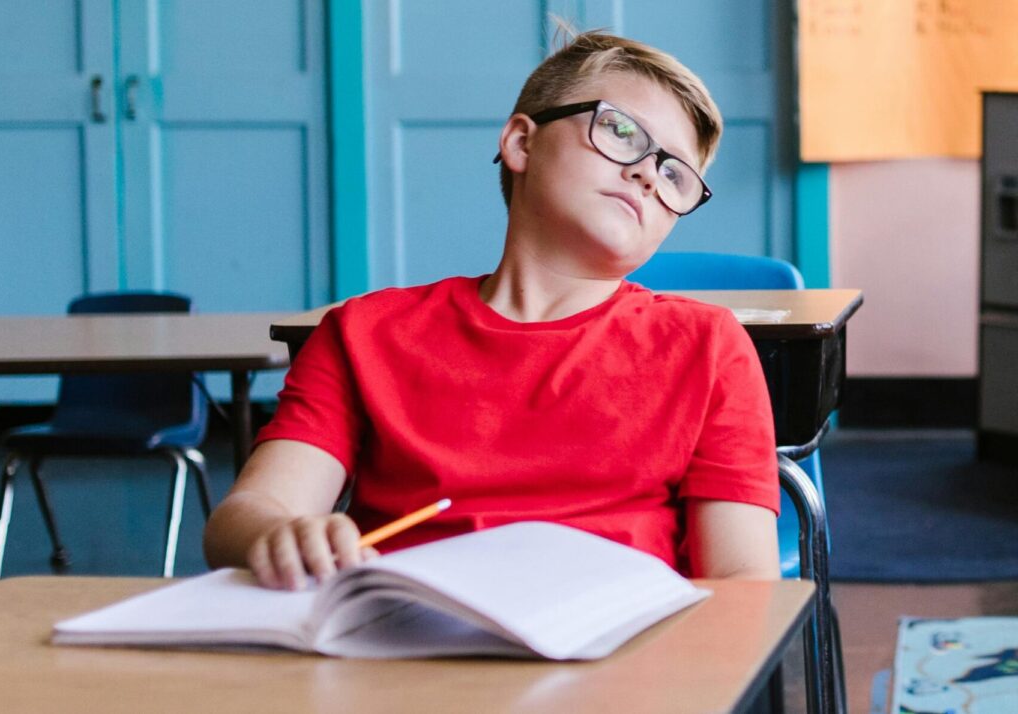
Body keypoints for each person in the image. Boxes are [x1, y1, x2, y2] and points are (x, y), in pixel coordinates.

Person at [203, 29, 780, 591]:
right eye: (621, 131)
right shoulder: (363, 333)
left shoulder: (707, 345)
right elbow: (248, 512)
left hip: (619, 666)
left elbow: (741, 579)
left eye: (675, 173)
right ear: (521, 143)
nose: (647, 174)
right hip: (402, 658)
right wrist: (282, 535)